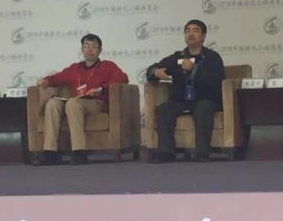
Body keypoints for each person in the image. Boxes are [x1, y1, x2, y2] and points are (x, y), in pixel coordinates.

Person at [35, 34, 129, 165]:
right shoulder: (75, 68)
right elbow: (58, 78)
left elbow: (123, 78)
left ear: (100, 50)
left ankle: (79, 151)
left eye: (94, 46)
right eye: (86, 46)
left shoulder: (107, 66)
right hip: (77, 101)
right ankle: (50, 152)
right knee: (52, 103)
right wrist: (46, 81)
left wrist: (101, 89)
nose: (90, 49)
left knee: (72, 103)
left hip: (96, 102)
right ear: (82, 50)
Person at [147, 20, 224, 163]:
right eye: (188, 31)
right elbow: (152, 69)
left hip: (205, 99)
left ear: (203, 36)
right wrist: (155, 71)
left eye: (195, 30)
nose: (191, 34)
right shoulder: (177, 57)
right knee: (163, 109)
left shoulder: (212, 57)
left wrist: (194, 69)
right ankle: (166, 152)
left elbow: (216, 79)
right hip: (182, 101)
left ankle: (202, 152)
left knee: (203, 108)